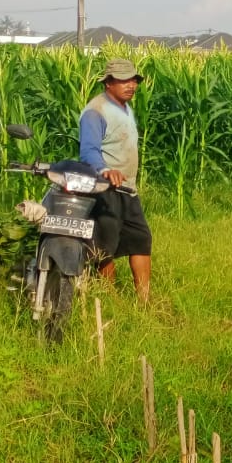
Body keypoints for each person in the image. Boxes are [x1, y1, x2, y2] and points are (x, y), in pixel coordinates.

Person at [80, 58, 152, 302]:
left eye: (134, 80)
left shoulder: (125, 108)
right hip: (106, 189)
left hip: (128, 189)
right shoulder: (95, 111)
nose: (131, 85)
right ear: (108, 83)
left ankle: (144, 302)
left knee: (141, 240)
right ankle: (109, 300)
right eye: (124, 80)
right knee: (105, 247)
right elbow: (88, 150)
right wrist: (105, 170)